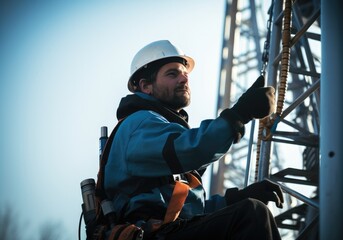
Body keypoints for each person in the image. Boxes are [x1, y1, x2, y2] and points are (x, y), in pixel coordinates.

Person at [104, 39, 284, 240]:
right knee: (251, 214)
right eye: (172, 74)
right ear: (146, 86)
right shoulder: (139, 124)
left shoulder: (162, 128)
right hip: (150, 234)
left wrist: (234, 200)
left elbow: (188, 209)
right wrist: (239, 115)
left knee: (247, 211)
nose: (183, 79)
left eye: (185, 73)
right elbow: (193, 149)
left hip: (168, 231)